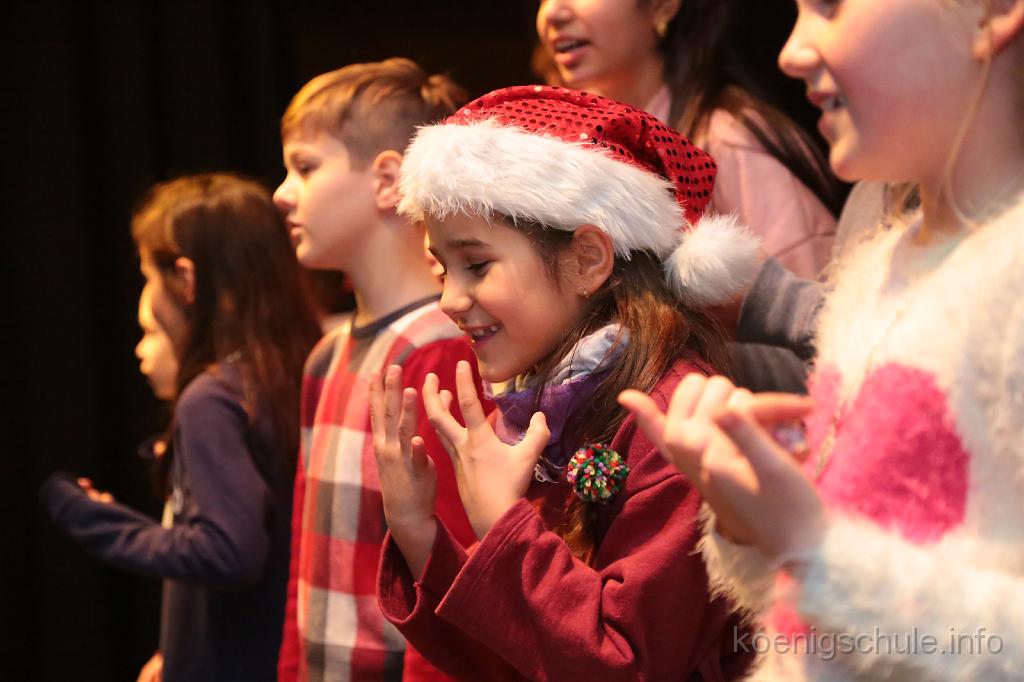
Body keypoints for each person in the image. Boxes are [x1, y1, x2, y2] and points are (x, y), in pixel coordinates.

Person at [621, 0, 1024, 678]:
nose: (792, 51)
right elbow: (810, 616)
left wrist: (816, 547)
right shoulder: (880, 264)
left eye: (831, 7)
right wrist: (756, 519)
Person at [370, 85, 761, 680]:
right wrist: (416, 531)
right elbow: (515, 657)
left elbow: (627, 664)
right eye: (444, 269)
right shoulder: (543, 408)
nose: (449, 299)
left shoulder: (674, 423)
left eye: (477, 264)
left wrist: (503, 523)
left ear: (587, 259)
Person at [41, 173, 322, 682]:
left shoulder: (212, 400)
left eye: (147, 276)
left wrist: (96, 522)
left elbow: (230, 552)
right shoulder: (301, 368)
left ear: (187, 280)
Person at [272, 58, 488, 681]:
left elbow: (446, 568)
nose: (282, 193)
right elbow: (306, 555)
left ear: (388, 180)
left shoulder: (439, 352)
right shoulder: (326, 356)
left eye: (305, 167)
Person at [534, 0, 842, 279]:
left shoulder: (727, 141)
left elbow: (809, 307)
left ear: (662, 6)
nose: (553, 13)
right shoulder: (550, 145)